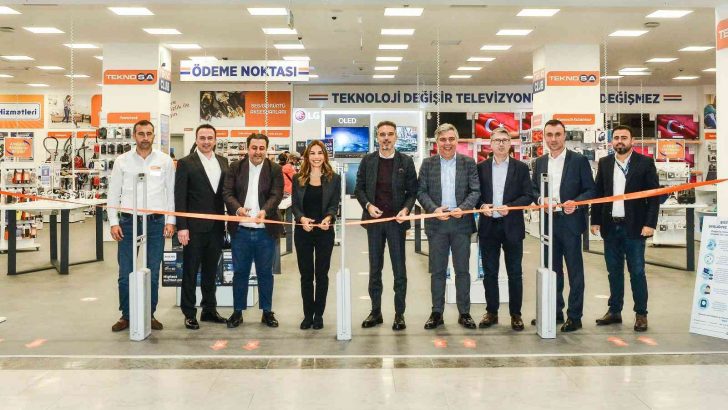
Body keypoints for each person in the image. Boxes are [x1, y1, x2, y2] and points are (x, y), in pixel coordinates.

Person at [108, 119, 176, 332]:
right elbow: (113, 193)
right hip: (128, 222)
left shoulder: (165, 161)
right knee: (125, 272)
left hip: (156, 222)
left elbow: (171, 192)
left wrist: (171, 220)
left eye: (148, 133)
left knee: (152, 272)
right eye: (141, 134)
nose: (145, 138)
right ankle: (126, 315)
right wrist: (113, 222)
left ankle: (149, 314)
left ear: (154, 135)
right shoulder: (122, 161)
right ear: (134, 136)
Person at [591, 125, 659, 332]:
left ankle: (641, 314)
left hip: (635, 227)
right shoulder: (605, 163)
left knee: (637, 272)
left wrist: (650, 224)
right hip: (611, 226)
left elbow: (654, 197)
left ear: (632, 141)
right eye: (616, 137)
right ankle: (614, 311)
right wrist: (595, 220)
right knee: (613, 272)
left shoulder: (645, 163)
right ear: (612, 141)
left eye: (624, 137)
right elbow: (599, 194)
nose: (620, 141)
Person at [531, 119, 595, 332]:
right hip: (548, 222)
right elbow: (533, 189)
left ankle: (574, 316)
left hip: (571, 223)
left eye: (557, 134)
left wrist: (576, 203)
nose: (553, 139)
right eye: (549, 135)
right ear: (544, 137)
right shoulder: (540, 162)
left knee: (575, 272)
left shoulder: (579, 161)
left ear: (564, 135)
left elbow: (591, 190)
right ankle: (555, 311)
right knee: (552, 270)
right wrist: (540, 200)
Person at [355, 120, 417, 331]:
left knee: (399, 270)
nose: (386, 138)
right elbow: (359, 188)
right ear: (377, 138)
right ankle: (376, 312)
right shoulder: (368, 161)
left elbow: (412, 192)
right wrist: (368, 205)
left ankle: (399, 314)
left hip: (396, 224)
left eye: (390, 134)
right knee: (375, 269)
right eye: (382, 134)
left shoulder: (406, 161)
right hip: (374, 223)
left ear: (396, 137)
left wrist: (406, 210)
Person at [417, 123, 480, 330]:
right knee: (437, 271)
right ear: (437, 142)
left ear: (457, 140)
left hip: (461, 224)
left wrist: (463, 208)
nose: (447, 143)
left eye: (451, 139)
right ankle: (437, 313)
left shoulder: (468, 163)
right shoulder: (428, 164)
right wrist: (434, 209)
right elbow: (421, 191)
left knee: (462, 271)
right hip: (437, 224)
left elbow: (475, 191)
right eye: (443, 139)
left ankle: (464, 313)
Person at [222, 133, 284, 328]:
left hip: (266, 231)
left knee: (266, 272)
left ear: (267, 149)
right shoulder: (235, 167)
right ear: (247, 148)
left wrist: (266, 210)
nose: (258, 152)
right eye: (254, 148)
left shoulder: (275, 169)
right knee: (240, 272)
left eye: (261, 148)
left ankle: (267, 312)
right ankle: (237, 312)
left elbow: (276, 194)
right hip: (240, 231)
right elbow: (227, 193)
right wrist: (237, 208)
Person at [477, 127, 534, 331]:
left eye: (504, 140)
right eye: (497, 140)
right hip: (488, 227)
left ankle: (516, 314)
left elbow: (528, 195)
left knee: (515, 273)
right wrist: (481, 206)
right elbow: (474, 194)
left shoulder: (521, 168)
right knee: (490, 273)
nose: (501, 144)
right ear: (490, 144)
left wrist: (511, 206)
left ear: (510, 144)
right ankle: (491, 312)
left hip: (512, 227)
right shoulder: (480, 168)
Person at [174, 123, 230, 330]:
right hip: (193, 228)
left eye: (210, 138)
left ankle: (209, 309)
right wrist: (182, 226)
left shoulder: (223, 162)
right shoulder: (185, 163)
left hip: (216, 227)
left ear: (215, 140)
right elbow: (179, 196)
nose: (206, 141)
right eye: (202, 138)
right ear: (196, 139)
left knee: (210, 271)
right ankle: (189, 313)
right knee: (190, 271)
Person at [292, 140, 341, 330]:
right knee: (306, 276)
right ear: (307, 156)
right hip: (303, 232)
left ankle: (319, 315)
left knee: (321, 275)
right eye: (312, 153)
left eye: (319, 153)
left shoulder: (333, 179)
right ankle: (307, 315)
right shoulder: (298, 178)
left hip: (324, 232)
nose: (316, 157)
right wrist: (301, 218)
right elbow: (295, 206)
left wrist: (328, 218)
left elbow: (334, 205)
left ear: (325, 156)